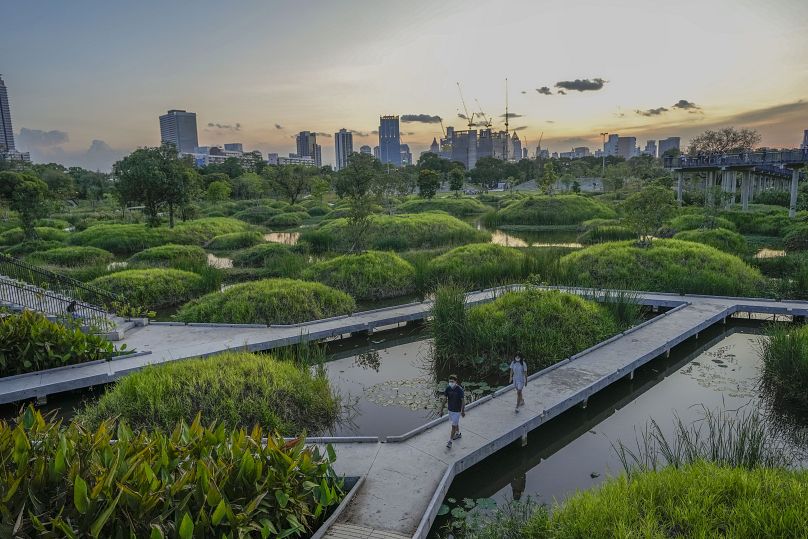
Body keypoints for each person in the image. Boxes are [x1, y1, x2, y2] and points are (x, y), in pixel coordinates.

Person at [444, 374, 465, 448]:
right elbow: (444, 399)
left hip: (457, 411)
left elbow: (463, 401)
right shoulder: (448, 388)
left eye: (452, 381)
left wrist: (462, 411)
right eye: (450, 381)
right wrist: (441, 410)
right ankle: (458, 434)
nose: (451, 383)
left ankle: (450, 441)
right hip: (450, 410)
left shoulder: (460, 390)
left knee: (453, 426)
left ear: (456, 381)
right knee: (455, 423)